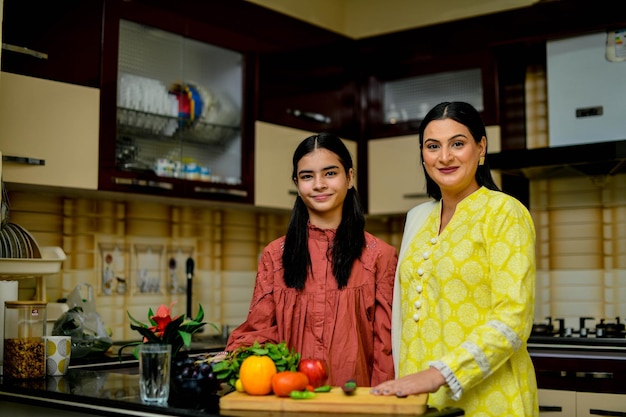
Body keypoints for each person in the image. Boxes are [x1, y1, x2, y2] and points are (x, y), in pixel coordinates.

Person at [370, 102, 538, 416]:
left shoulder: (503, 212)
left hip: (492, 400)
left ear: (481, 147)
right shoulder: (418, 218)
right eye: (433, 146)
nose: (445, 157)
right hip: (423, 401)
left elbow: (513, 320)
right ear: (422, 154)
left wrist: (439, 374)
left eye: (457, 144)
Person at [226, 132, 397, 387]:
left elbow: (386, 352)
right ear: (297, 183)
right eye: (307, 176)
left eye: (330, 173)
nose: (318, 184)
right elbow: (260, 333)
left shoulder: (380, 256)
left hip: (355, 406)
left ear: (349, 178)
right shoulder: (275, 255)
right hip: (290, 403)